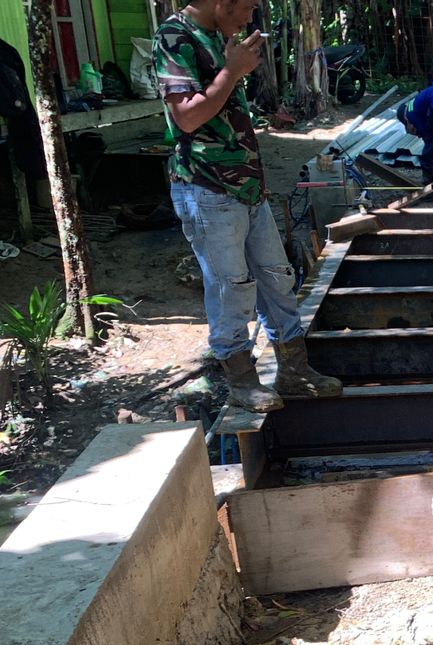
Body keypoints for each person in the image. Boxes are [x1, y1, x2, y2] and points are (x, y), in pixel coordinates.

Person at [153, 0, 340, 412]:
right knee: (231, 286)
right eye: (247, 8)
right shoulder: (173, 37)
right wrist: (232, 70)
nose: (250, 18)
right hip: (207, 187)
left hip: (246, 186)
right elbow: (185, 117)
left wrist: (257, 107)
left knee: (277, 277)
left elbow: (220, 107)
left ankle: (294, 370)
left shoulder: (218, 37)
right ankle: (241, 379)